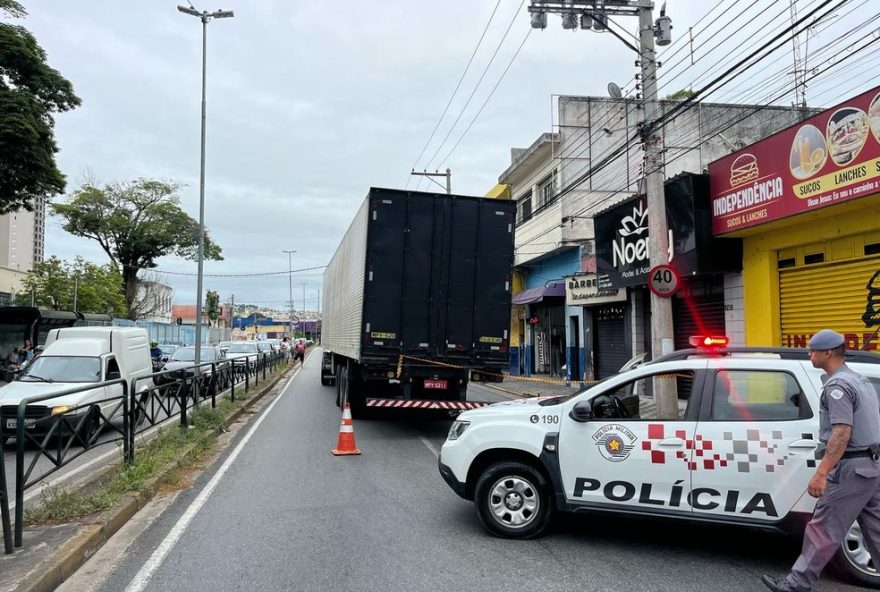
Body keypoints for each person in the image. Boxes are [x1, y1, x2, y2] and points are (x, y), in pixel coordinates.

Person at [761, 329, 880, 592]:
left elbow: (842, 431)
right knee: (876, 530)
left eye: (813, 350)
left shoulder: (838, 386)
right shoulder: (859, 379)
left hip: (850, 469)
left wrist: (822, 473)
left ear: (828, 353)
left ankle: (796, 585)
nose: (809, 354)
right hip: (871, 466)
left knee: (823, 528)